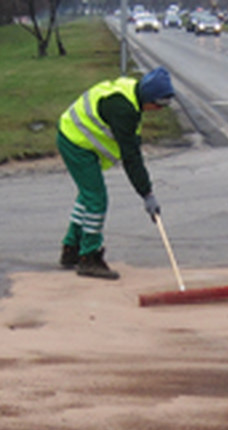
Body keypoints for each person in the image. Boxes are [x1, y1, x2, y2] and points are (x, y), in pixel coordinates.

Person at [56, 67, 175, 280]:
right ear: (149, 98)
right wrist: (146, 194)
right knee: (96, 199)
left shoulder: (131, 95)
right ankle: (89, 257)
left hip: (77, 139)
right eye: (158, 104)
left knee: (87, 195)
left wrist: (146, 192)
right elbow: (131, 158)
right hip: (75, 142)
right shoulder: (124, 110)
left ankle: (71, 248)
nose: (158, 109)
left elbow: (132, 148)